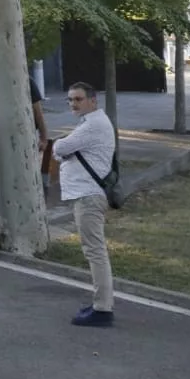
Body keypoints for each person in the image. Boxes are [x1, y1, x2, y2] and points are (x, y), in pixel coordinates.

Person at [52, 82, 117, 327]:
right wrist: (62, 149)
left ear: (93, 100)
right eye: (70, 100)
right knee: (94, 250)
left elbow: (60, 146)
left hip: (89, 195)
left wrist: (61, 148)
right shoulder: (89, 123)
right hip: (87, 194)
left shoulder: (93, 124)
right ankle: (101, 303)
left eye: (78, 99)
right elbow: (63, 149)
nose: (73, 104)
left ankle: (102, 309)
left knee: (95, 251)